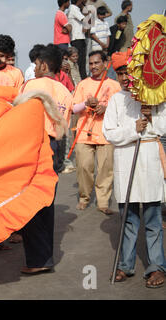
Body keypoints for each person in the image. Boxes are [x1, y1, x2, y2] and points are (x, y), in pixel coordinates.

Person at [103, 50, 166, 289]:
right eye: (120, 72)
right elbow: (109, 133)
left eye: (128, 71)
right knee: (128, 220)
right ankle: (126, 265)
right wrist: (134, 127)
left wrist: (151, 117)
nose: (124, 77)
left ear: (137, 71)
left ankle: (157, 267)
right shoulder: (116, 100)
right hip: (126, 160)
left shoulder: (154, 96)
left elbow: (163, 126)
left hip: (148, 159)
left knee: (152, 219)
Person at [18, 44, 72, 275]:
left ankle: (38, 259)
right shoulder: (65, 92)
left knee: (31, 203)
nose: (35, 68)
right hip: (56, 146)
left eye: (37, 64)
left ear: (44, 65)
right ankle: (45, 256)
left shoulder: (32, 85)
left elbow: (18, 115)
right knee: (47, 202)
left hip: (35, 146)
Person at [72, 50, 121, 214]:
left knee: (105, 170)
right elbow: (73, 108)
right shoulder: (83, 84)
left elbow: (121, 110)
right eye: (90, 63)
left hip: (106, 134)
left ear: (105, 63)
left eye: (96, 63)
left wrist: (106, 109)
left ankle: (103, 202)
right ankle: (84, 197)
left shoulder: (115, 85)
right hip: (84, 132)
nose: (93, 66)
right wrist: (87, 103)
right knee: (84, 167)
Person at [68, 0, 87, 80]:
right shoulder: (74, 8)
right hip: (77, 38)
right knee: (80, 62)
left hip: (79, 38)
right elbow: (86, 20)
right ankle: (82, 79)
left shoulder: (74, 8)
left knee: (81, 62)